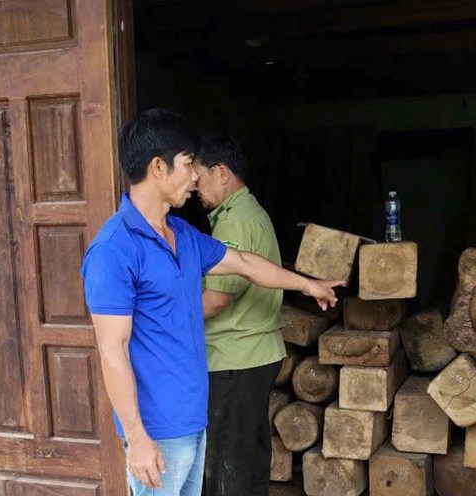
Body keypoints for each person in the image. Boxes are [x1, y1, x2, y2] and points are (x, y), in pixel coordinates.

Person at [80, 109, 342, 496]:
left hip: (194, 416)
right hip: (157, 429)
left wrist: (307, 285)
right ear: (158, 167)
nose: (194, 177)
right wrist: (136, 438)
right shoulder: (113, 250)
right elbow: (112, 350)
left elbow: (245, 264)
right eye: (188, 164)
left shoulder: (184, 236)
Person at [193, 134, 284, 496]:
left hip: (234, 358)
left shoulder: (233, 222)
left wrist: (165, 321)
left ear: (221, 173)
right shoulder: (252, 212)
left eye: (199, 177)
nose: (194, 187)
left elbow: (216, 300)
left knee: (224, 466)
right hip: (256, 354)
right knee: (250, 457)